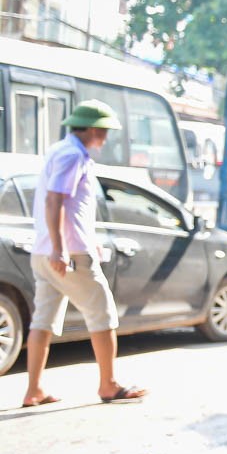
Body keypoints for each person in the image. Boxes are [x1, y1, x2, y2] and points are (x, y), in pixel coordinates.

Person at [20, 101, 148, 408]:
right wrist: (61, 248)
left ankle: (34, 390)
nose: (105, 138)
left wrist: (75, 244)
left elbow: (70, 208)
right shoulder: (72, 155)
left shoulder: (60, 151)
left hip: (47, 251)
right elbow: (55, 202)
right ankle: (108, 385)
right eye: (103, 131)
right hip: (66, 254)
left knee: (42, 320)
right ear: (91, 129)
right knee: (102, 315)